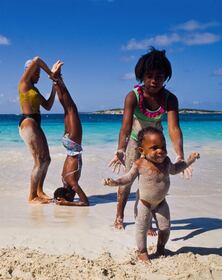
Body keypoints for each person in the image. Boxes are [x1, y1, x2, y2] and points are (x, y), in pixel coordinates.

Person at [108, 47, 190, 230]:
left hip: (156, 143)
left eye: (159, 76)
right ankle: (119, 215)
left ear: (166, 77)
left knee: (152, 182)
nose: (154, 80)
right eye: (149, 75)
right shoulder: (133, 97)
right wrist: (120, 149)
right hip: (136, 141)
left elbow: (174, 128)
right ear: (141, 76)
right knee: (128, 180)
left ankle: (146, 220)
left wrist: (180, 155)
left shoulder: (170, 99)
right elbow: (126, 127)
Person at [104, 127, 199, 262]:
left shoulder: (166, 162)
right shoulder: (139, 164)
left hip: (161, 202)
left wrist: (189, 160)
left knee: (165, 228)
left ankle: (160, 247)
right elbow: (128, 178)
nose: (160, 151)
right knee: (142, 228)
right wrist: (114, 182)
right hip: (145, 202)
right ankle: (142, 251)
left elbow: (176, 169)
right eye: (154, 148)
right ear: (142, 151)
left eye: (163, 146)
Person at [18, 56, 58, 204]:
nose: (38, 77)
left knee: (46, 160)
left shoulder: (34, 89)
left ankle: (39, 191)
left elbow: (48, 106)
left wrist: (54, 87)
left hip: (36, 123)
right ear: (30, 71)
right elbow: (37, 59)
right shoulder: (24, 84)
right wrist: (51, 73)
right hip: (28, 123)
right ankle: (32, 196)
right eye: (36, 74)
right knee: (38, 161)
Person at [51, 61, 89, 206]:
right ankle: (56, 80)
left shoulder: (72, 183)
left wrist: (68, 203)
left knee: (71, 108)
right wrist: (61, 200)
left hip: (73, 145)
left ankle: (56, 78)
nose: (76, 195)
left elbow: (85, 203)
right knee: (67, 108)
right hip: (67, 144)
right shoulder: (63, 179)